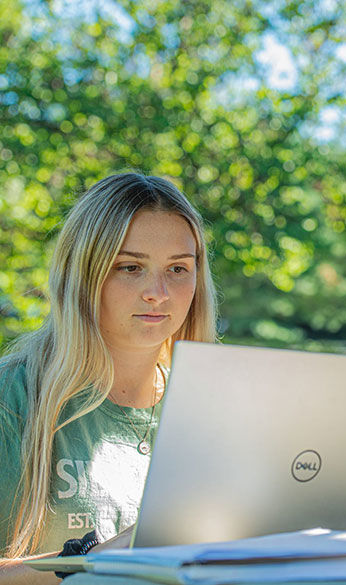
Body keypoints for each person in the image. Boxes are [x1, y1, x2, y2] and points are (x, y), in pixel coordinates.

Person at [0, 173, 218, 582]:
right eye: (130, 267)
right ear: (83, 273)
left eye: (177, 269)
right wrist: (98, 557)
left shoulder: (211, 413)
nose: (158, 292)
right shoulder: (11, 400)